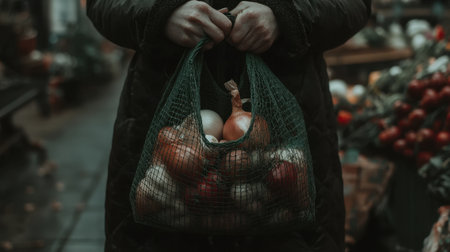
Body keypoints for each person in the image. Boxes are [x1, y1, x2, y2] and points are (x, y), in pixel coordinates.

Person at [86, 0, 371, 251]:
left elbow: (352, 4)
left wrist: (286, 15)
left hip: (289, 123)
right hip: (159, 117)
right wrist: (159, 15)